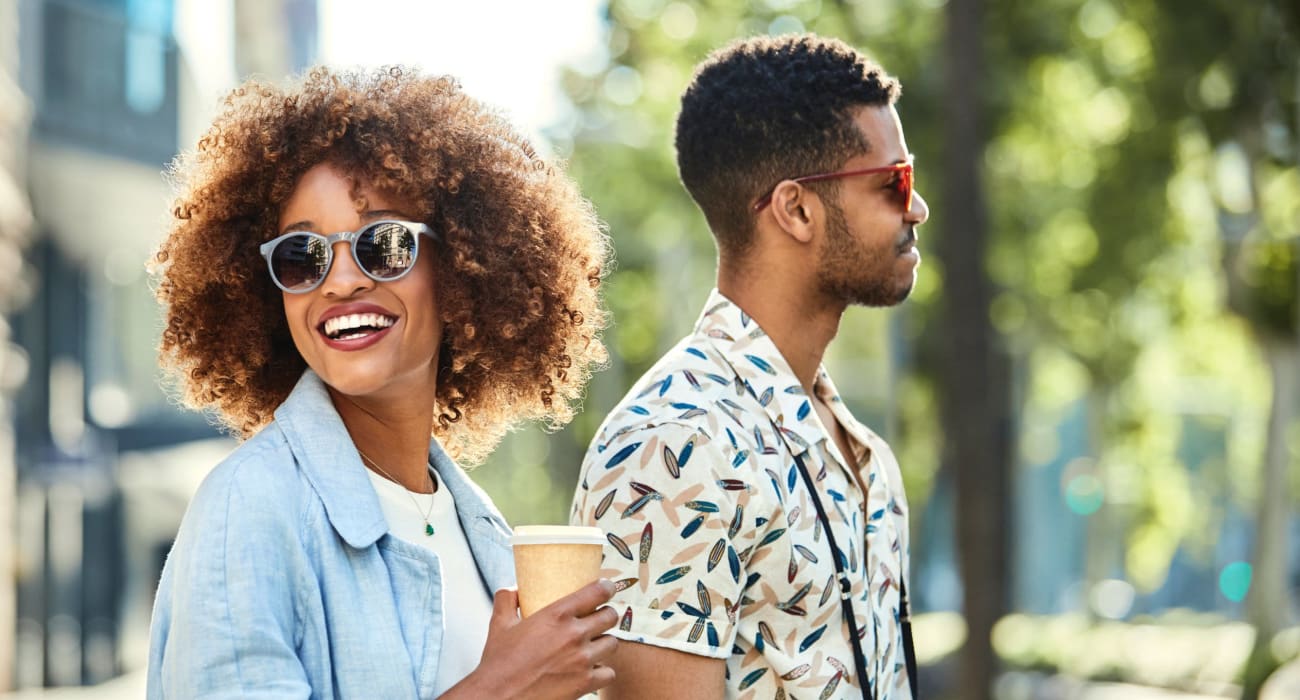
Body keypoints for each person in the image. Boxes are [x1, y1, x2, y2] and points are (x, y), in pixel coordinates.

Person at [147, 66, 618, 698]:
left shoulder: (481, 530)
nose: (340, 281)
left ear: (460, 265)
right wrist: (503, 688)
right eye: (301, 255)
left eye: (385, 244)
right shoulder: (249, 508)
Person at [571, 34, 929, 699]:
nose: (917, 208)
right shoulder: (673, 447)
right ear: (796, 209)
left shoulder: (863, 455)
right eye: (893, 183)